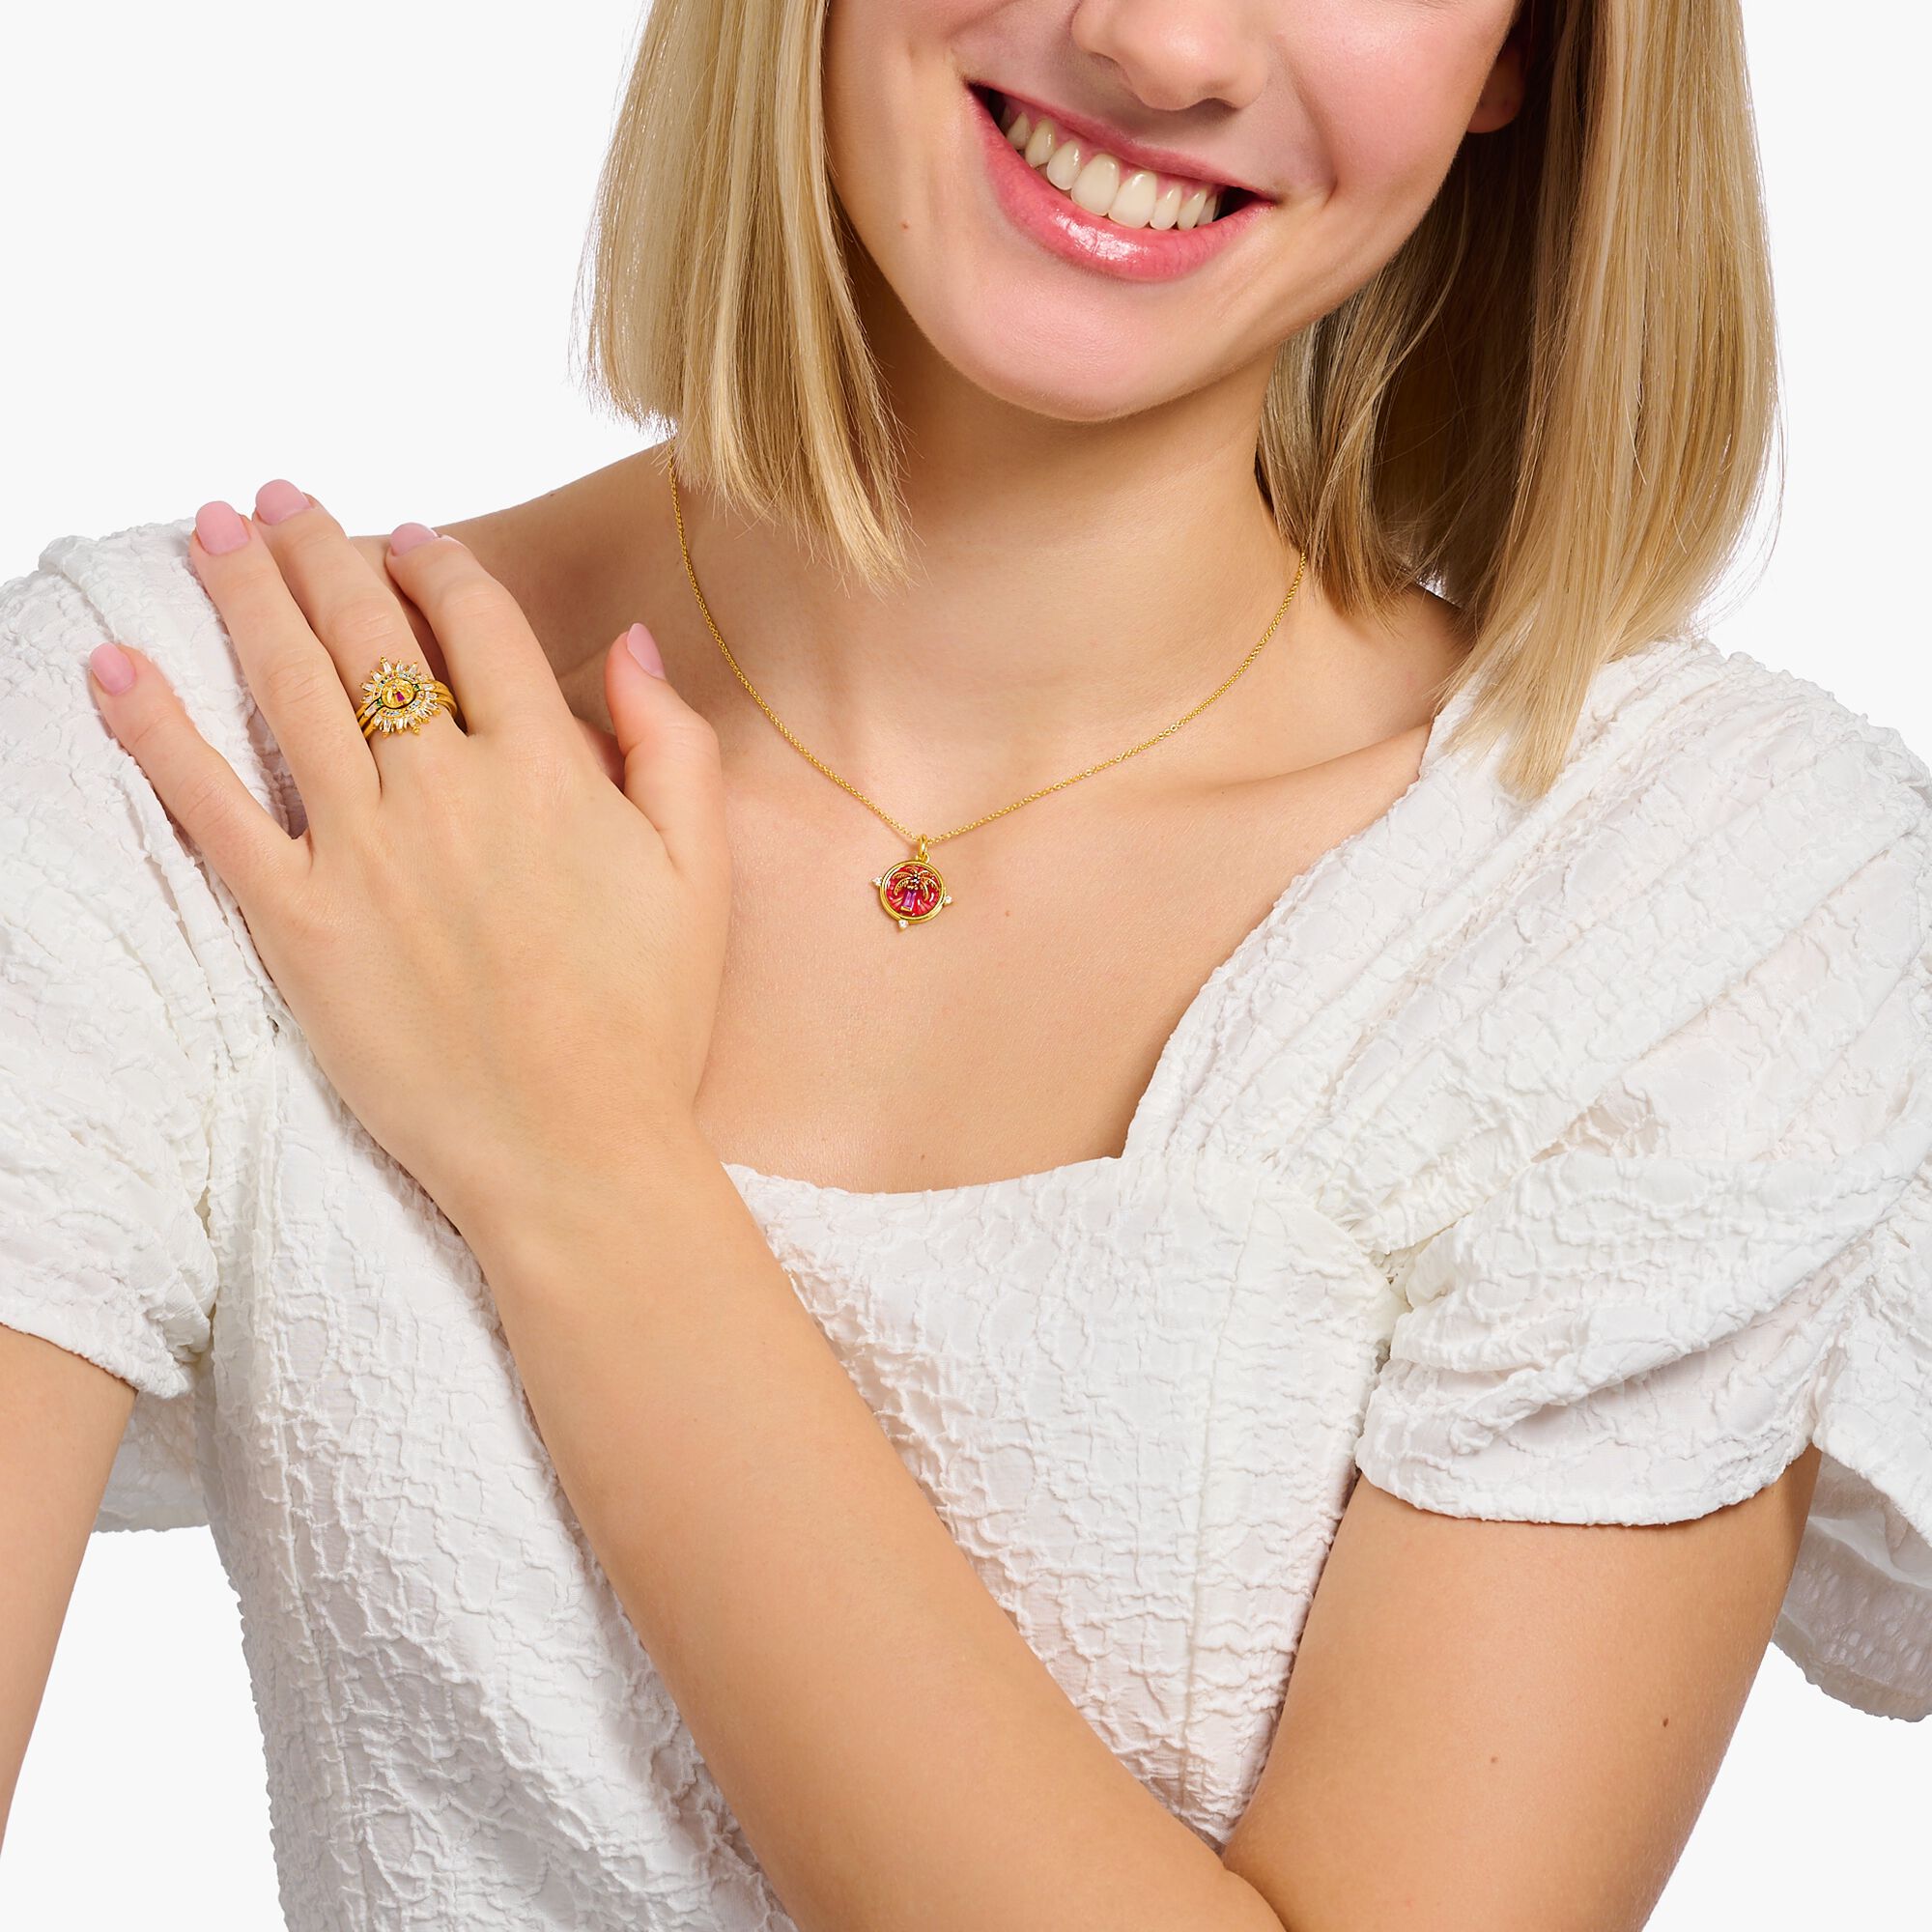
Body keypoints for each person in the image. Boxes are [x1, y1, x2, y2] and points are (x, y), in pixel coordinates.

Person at [3, 0, 1928, 1927]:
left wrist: (575, 1167)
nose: (1167, 46)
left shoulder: (1677, 898)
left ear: (1531, 52)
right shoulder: (207, 737)